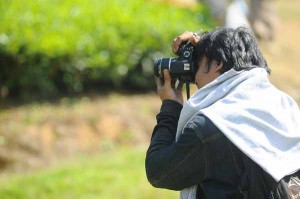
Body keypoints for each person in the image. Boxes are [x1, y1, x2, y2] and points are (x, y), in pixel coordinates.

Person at [145, 27, 300, 198]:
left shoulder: (212, 126)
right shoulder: (284, 104)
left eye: (197, 66)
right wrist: (205, 46)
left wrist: (170, 106)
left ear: (217, 64)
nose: (195, 79)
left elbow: (158, 172)